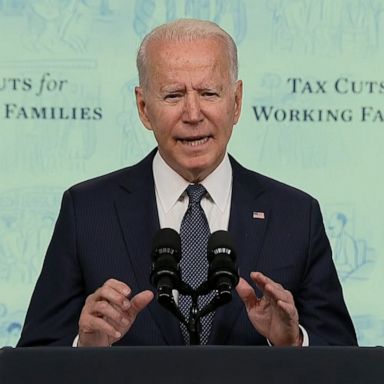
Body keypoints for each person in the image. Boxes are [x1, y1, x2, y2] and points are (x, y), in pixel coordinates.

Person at [17, 19, 357, 348]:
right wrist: (85, 348)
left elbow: (345, 360)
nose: (193, 114)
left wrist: (293, 341)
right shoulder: (88, 211)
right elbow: (33, 357)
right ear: (143, 107)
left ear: (236, 102)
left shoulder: (296, 215)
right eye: (173, 95)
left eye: (209, 93)